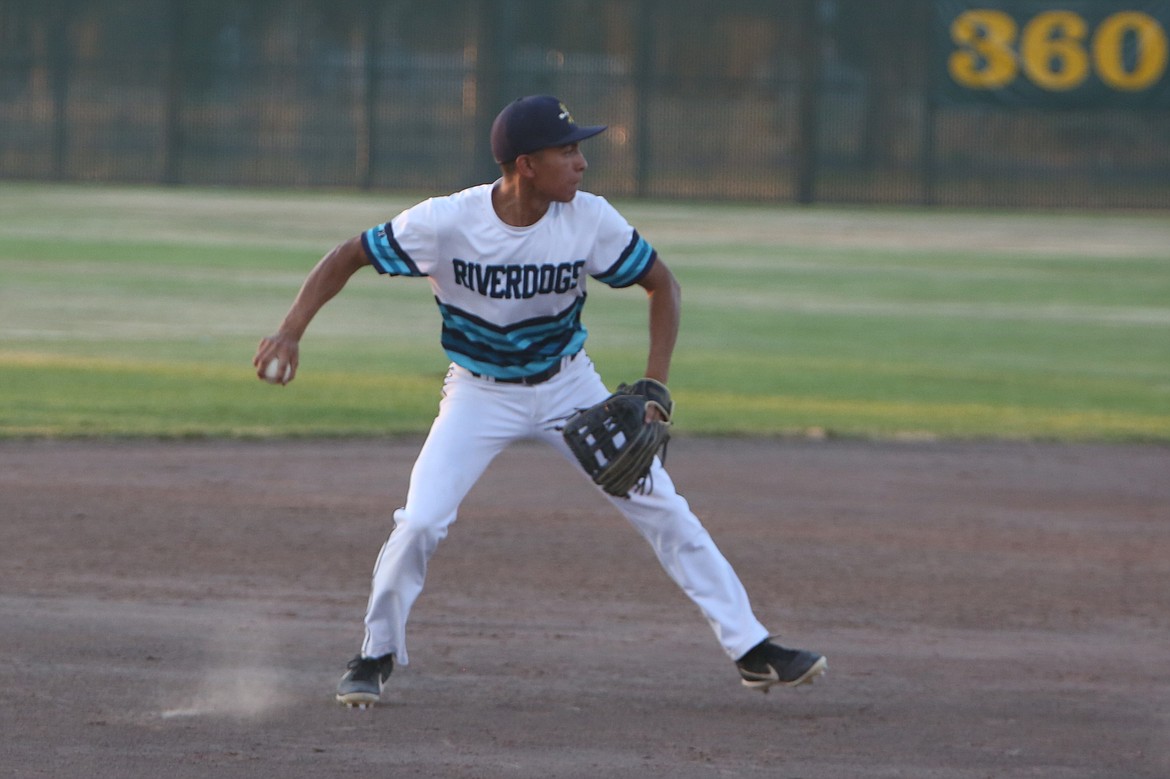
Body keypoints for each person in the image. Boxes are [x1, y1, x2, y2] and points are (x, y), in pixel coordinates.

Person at [253, 95, 826, 707]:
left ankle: (752, 649)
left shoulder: (590, 218)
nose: (581, 163)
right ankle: (374, 654)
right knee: (420, 520)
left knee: (664, 508)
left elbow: (663, 285)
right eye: (568, 150)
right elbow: (349, 255)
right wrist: (290, 329)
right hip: (478, 393)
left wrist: (655, 385)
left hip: (568, 386)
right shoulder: (447, 221)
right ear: (526, 165)